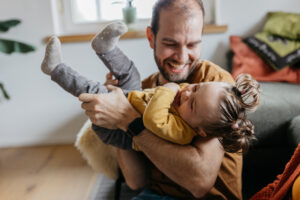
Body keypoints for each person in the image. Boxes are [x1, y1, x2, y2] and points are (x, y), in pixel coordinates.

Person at [78, 0, 250, 199]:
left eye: (192, 44)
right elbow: (136, 181)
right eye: (170, 44)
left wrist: (129, 119)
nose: (182, 57)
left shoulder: (214, 86)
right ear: (151, 38)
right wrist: (117, 119)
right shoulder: (144, 91)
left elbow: (200, 182)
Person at [41, 21, 259, 154]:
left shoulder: (182, 132)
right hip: (131, 99)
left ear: (200, 130)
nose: (187, 91)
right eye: (197, 87)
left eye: (192, 104)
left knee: (96, 91)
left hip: (115, 131)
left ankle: (55, 69)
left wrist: (170, 89)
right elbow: (149, 97)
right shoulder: (186, 107)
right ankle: (105, 48)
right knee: (130, 73)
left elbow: (152, 118)